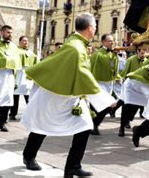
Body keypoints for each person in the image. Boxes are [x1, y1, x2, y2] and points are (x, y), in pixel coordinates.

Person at [21, 13, 115, 177]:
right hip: (55, 94)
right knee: (42, 126)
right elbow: (83, 74)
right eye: (95, 26)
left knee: (85, 126)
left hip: (70, 95)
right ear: (90, 28)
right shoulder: (75, 47)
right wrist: (104, 98)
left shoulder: (77, 44)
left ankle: (73, 166)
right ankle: (29, 156)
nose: (95, 29)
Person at [89, 34, 119, 135]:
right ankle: (93, 125)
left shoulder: (113, 54)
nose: (112, 42)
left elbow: (114, 67)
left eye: (112, 41)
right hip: (99, 83)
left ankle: (94, 125)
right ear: (103, 42)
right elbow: (93, 68)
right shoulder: (98, 54)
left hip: (109, 84)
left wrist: (115, 55)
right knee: (105, 106)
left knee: (103, 107)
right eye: (109, 41)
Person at [10, 36, 38, 120]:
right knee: (15, 95)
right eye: (24, 41)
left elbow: (36, 62)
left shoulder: (31, 52)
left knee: (28, 95)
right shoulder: (15, 50)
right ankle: (12, 113)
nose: (26, 42)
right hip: (18, 73)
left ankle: (31, 112)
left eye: (27, 41)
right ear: (20, 42)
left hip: (27, 74)